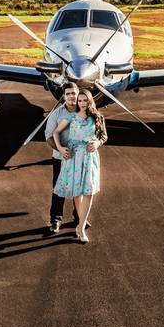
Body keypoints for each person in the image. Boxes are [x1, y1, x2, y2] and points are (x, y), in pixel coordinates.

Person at [51, 88, 107, 243]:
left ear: (90, 101)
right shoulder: (71, 117)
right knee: (77, 192)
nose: (82, 103)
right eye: (80, 100)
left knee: (89, 192)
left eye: (85, 100)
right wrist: (61, 148)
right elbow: (55, 132)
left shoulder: (97, 117)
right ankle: (80, 226)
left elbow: (104, 136)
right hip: (74, 157)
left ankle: (80, 227)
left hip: (89, 157)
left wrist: (97, 143)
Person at [45, 83, 89, 235]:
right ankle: (56, 220)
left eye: (74, 93)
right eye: (68, 93)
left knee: (81, 188)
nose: (71, 96)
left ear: (78, 94)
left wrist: (95, 142)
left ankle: (79, 218)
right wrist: (61, 149)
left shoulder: (85, 112)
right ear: (63, 96)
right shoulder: (57, 114)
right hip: (60, 158)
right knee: (58, 189)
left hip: (81, 158)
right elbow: (49, 136)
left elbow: (96, 131)